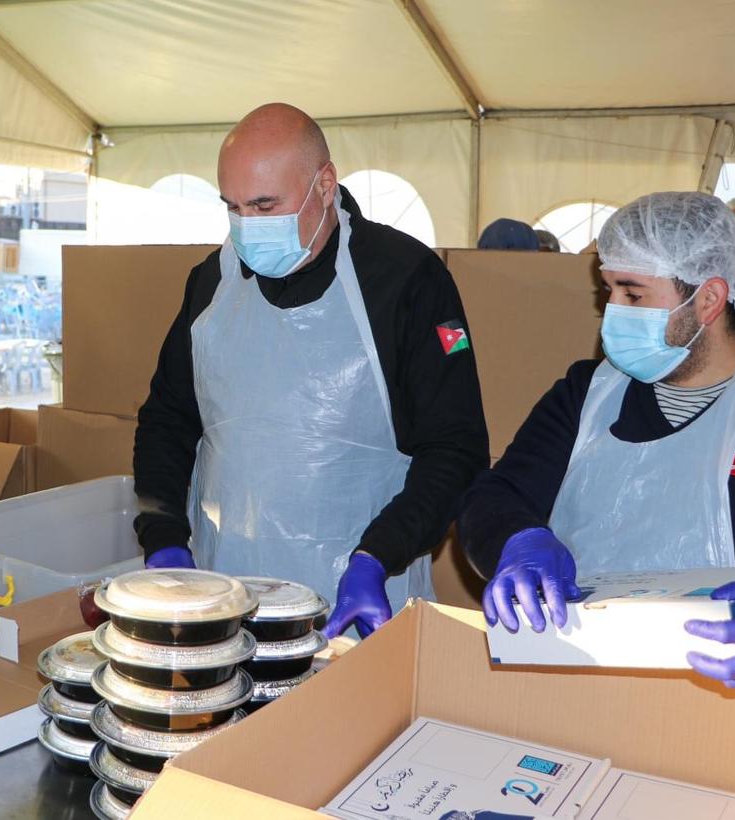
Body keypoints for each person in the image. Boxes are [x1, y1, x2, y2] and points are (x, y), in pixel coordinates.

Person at [134, 103, 489, 639]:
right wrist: (162, 534)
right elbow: (167, 419)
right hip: (226, 598)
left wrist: (379, 555)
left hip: (359, 598)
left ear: (324, 185)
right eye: (233, 207)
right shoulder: (211, 282)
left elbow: (456, 448)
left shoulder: (405, 279)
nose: (247, 226)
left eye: (265, 205)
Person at [458, 192, 735, 692]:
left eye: (633, 295)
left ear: (708, 299)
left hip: (731, 692)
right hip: (581, 678)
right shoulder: (586, 393)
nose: (611, 309)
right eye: (608, 289)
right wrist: (517, 540)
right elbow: (494, 496)